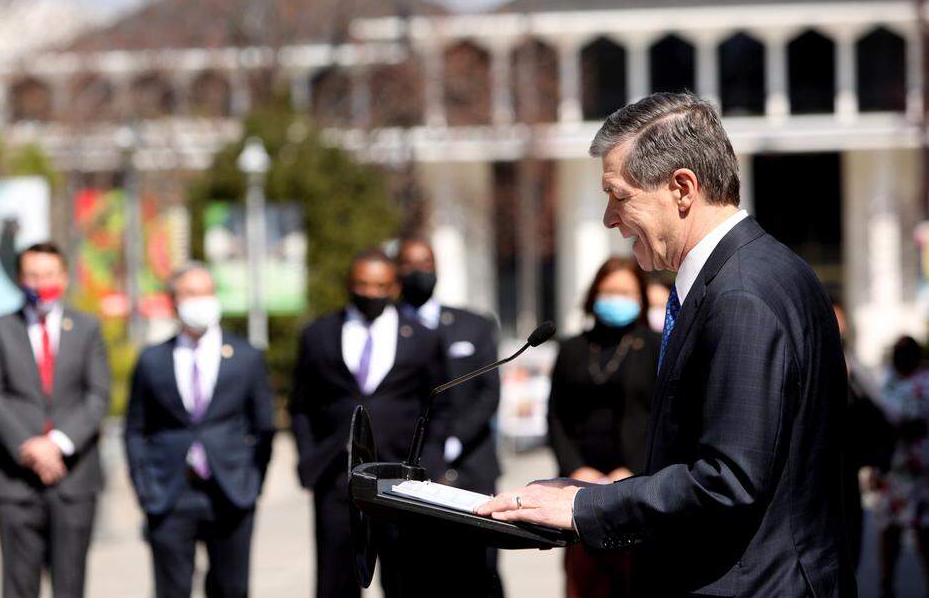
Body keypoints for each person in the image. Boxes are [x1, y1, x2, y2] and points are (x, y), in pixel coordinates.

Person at [476, 92, 855, 596]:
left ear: (682, 188)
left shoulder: (742, 293)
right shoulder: (753, 273)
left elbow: (730, 481)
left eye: (619, 195)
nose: (610, 218)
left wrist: (587, 507)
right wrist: (595, 494)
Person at [289, 249, 444, 598]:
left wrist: (429, 464)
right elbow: (301, 406)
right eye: (362, 285)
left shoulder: (421, 336)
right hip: (336, 478)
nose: (370, 294)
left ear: (394, 287)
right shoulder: (318, 335)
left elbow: (440, 407)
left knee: (407, 580)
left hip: (400, 480)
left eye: (380, 286)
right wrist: (309, 456)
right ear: (349, 284)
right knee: (336, 582)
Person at [125, 263, 275, 598]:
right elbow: (135, 428)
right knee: (172, 587)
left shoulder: (245, 357)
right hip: (170, 492)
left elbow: (264, 426)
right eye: (190, 293)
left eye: (206, 292)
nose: (200, 301)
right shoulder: (152, 359)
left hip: (230, 491)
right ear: (173, 301)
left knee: (231, 587)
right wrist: (144, 485)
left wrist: (251, 482)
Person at [0, 242, 111, 598]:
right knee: (19, 585)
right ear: (20, 279)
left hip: (74, 478)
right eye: (33, 275)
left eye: (49, 274)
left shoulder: (87, 329)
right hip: (16, 481)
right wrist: (31, 448)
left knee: (70, 584)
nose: (41, 283)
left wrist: (58, 444)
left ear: (64, 278)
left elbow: (97, 395)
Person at [395, 236, 504, 597]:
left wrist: (455, 439)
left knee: (478, 573)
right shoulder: (386, 328)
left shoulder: (472, 324)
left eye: (425, 263)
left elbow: (489, 390)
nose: (417, 272)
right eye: (408, 264)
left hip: (471, 465)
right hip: (410, 470)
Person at [548, 256, 660, 598]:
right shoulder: (572, 349)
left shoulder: (655, 346)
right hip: (580, 488)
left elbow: (660, 415)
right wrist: (577, 469)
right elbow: (557, 417)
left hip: (635, 484)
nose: (616, 298)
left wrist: (632, 470)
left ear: (640, 298)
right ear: (594, 294)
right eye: (609, 290)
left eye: (625, 292)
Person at [830, 298, 892, 569]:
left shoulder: (853, 366)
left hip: (847, 465)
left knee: (850, 540)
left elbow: (878, 409)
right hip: (819, 467)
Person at [875, 336, 929, 598]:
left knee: (924, 532)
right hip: (895, 472)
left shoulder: (924, 383)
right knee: (890, 532)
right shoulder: (889, 381)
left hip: (921, 473)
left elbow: (914, 424)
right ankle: (887, 584)